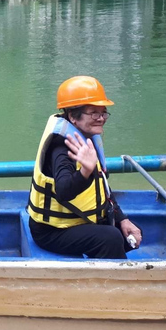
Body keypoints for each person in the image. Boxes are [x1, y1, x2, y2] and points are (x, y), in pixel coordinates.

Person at [27, 76, 142, 259]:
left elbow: (101, 186)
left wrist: (122, 218)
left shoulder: (86, 136)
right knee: (111, 238)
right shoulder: (62, 148)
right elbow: (64, 190)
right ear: (72, 116)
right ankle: (117, 283)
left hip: (76, 221)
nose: (101, 118)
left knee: (130, 234)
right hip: (52, 231)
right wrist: (85, 172)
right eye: (93, 113)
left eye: (103, 112)